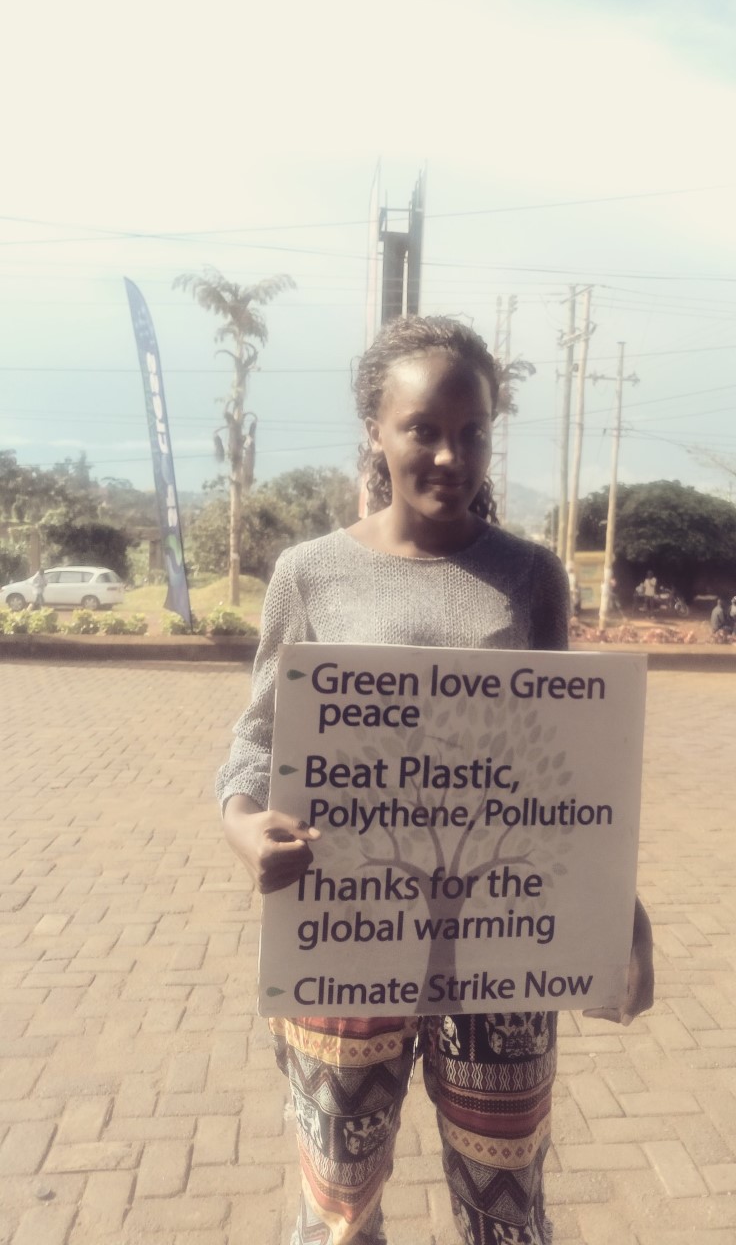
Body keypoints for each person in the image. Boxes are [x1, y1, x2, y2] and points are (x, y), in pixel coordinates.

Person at [216, 315, 654, 1245]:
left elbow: (566, 764)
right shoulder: (310, 575)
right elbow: (256, 745)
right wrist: (245, 826)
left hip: (502, 956)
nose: (453, 454)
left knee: (507, 1206)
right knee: (338, 1207)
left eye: (476, 431)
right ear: (376, 429)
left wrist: (619, 906)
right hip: (347, 941)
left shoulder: (528, 577)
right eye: (424, 428)